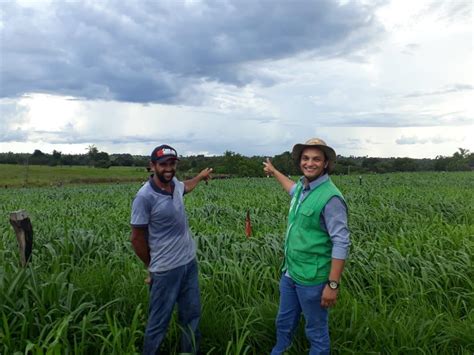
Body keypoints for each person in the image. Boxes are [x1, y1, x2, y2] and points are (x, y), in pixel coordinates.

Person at [263, 138, 350, 355]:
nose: (309, 163)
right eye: (305, 158)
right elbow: (291, 188)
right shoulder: (304, 188)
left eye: (316, 159)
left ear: (326, 164)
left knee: (316, 332)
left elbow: (341, 242)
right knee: (283, 322)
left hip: (313, 278)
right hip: (290, 272)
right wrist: (274, 171)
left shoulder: (331, 198)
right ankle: (281, 350)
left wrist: (332, 285)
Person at [130, 144, 212, 355]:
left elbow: (187, 186)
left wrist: (201, 176)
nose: (168, 168)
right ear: (152, 166)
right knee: (158, 323)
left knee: (191, 317)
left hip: (188, 264)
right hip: (165, 270)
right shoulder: (144, 197)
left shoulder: (175, 184)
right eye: (163, 164)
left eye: (172, 163)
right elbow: (136, 238)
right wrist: (151, 265)